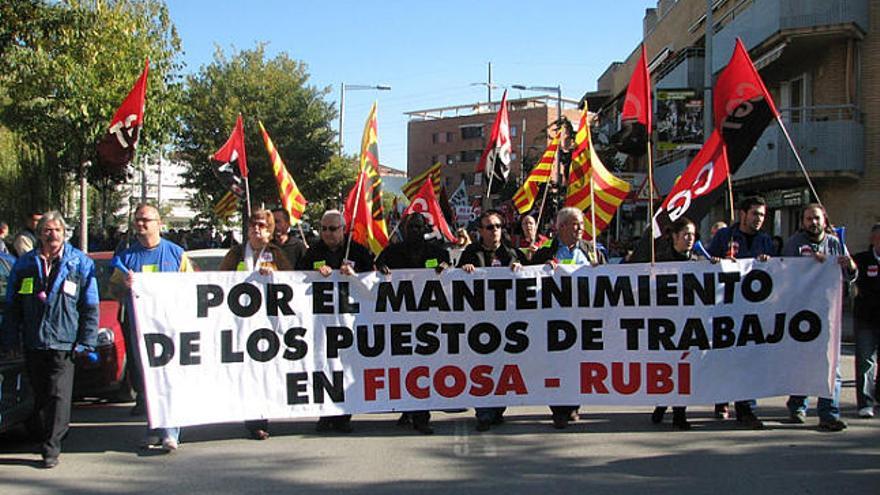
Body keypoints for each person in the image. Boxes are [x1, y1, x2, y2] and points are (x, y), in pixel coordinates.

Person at [0, 211, 98, 468]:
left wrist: (86, 341)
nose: (51, 234)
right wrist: (11, 340)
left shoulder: (80, 263)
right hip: (34, 341)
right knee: (41, 394)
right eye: (46, 230)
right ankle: (53, 433)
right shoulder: (25, 264)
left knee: (58, 393)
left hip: (64, 342)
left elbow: (90, 306)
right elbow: (12, 306)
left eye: (56, 230)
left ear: (64, 233)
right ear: (39, 234)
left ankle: (51, 447)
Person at [109, 204, 191, 452]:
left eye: (146, 220)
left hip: (170, 327)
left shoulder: (177, 254)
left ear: (159, 223)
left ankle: (171, 430)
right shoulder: (126, 258)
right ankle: (153, 427)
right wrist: (124, 283)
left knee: (169, 377)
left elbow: (192, 288)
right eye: (137, 220)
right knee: (149, 379)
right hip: (140, 328)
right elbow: (113, 290)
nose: (141, 224)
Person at [634, 217, 718, 430]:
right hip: (665, 323)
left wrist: (717, 267)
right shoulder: (660, 261)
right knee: (668, 367)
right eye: (686, 235)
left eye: (693, 235)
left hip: (689, 324)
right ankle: (663, 403)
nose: (690, 239)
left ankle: (679, 413)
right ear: (674, 237)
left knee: (685, 367)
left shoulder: (700, 262)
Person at [297, 210, 374, 433]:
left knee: (345, 367)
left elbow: (373, 283)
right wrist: (313, 272)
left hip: (350, 322)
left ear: (343, 229)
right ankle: (325, 414)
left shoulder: (358, 251)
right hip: (321, 321)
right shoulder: (313, 252)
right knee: (323, 365)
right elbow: (295, 278)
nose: (327, 233)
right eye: (324, 229)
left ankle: (343, 415)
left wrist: (354, 274)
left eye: (333, 229)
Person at [219, 208, 293, 440]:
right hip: (240, 322)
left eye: (262, 225)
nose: (256, 229)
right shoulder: (236, 253)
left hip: (268, 323)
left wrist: (275, 273)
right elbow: (219, 279)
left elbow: (292, 279)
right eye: (253, 225)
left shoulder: (276, 253)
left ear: (270, 232)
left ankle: (262, 416)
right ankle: (253, 419)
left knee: (264, 371)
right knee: (246, 371)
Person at [375, 212, 450, 435]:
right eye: (411, 227)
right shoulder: (393, 251)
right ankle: (408, 409)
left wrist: (446, 268)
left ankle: (421, 417)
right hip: (401, 321)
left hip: (428, 321)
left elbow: (449, 268)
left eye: (419, 227)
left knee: (423, 367)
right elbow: (378, 265)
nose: (415, 231)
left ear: (425, 229)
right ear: (405, 230)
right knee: (404, 367)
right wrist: (381, 269)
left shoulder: (438, 252)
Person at [783, 204, 856, 432]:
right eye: (808, 219)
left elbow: (850, 275)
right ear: (802, 222)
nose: (812, 223)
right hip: (801, 312)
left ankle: (829, 413)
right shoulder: (795, 243)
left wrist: (850, 265)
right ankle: (797, 405)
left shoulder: (835, 243)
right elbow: (784, 272)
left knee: (831, 364)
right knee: (802, 361)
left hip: (829, 313)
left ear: (824, 220)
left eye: (816, 218)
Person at [531, 207, 605, 429]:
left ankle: (573, 405)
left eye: (582, 224)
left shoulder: (592, 251)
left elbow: (607, 279)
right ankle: (559, 410)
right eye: (575, 223)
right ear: (561, 226)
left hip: (583, 318)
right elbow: (531, 276)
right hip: (554, 318)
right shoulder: (546, 251)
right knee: (556, 365)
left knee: (578, 364)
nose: (580, 228)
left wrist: (599, 270)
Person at [706, 196, 771, 429]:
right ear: (742, 214)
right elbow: (707, 266)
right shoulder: (725, 237)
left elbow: (777, 272)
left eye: (762, 215)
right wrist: (718, 262)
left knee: (747, 359)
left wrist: (768, 264)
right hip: (725, 308)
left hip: (752, 311)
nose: (758, 219)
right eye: (755, 214)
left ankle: (746, 409)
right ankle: (721, 398)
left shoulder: (765, 240)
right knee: (724, 357)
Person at [458, 210, 523, 431]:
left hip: (506, 321)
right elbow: (455, 281)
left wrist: (518, 270)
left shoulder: (511, 253)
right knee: (482, 367)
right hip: (479, 321)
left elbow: (525, 280)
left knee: (503, 366)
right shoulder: (470, 252)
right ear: (480, 231)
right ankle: (484, 412)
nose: (495, 230)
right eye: (490, 227)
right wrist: (463, 271)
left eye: (498, 226)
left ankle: (497, 409)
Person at [853, 223, 880, 419]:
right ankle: (865, 402)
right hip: (866, 319)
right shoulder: (861, 260)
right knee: (865, 361)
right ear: (872, 240)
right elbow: (850, 276)